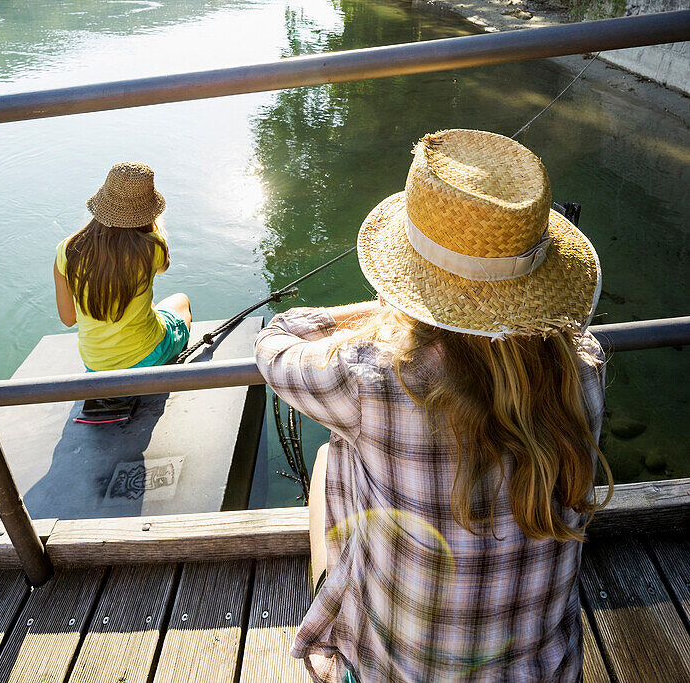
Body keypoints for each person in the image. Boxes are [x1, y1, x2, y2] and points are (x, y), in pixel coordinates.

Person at [255, 128, 612, 683]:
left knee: (334, 455)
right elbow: (561, 339)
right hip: (545, 673)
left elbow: (276, 340)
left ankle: (333, 648)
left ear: (412, 284)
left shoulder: (369, 378)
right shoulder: (584, 370)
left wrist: (387, 313)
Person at [54, 161, 191, 372]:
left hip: (96, 366)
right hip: (148, 356)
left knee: (149, 305)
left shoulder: (67, 250)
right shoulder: (153, 246)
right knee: (181, 300)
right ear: (148, 211)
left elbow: (68, 319)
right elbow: (163, 268)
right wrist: (154, 230)